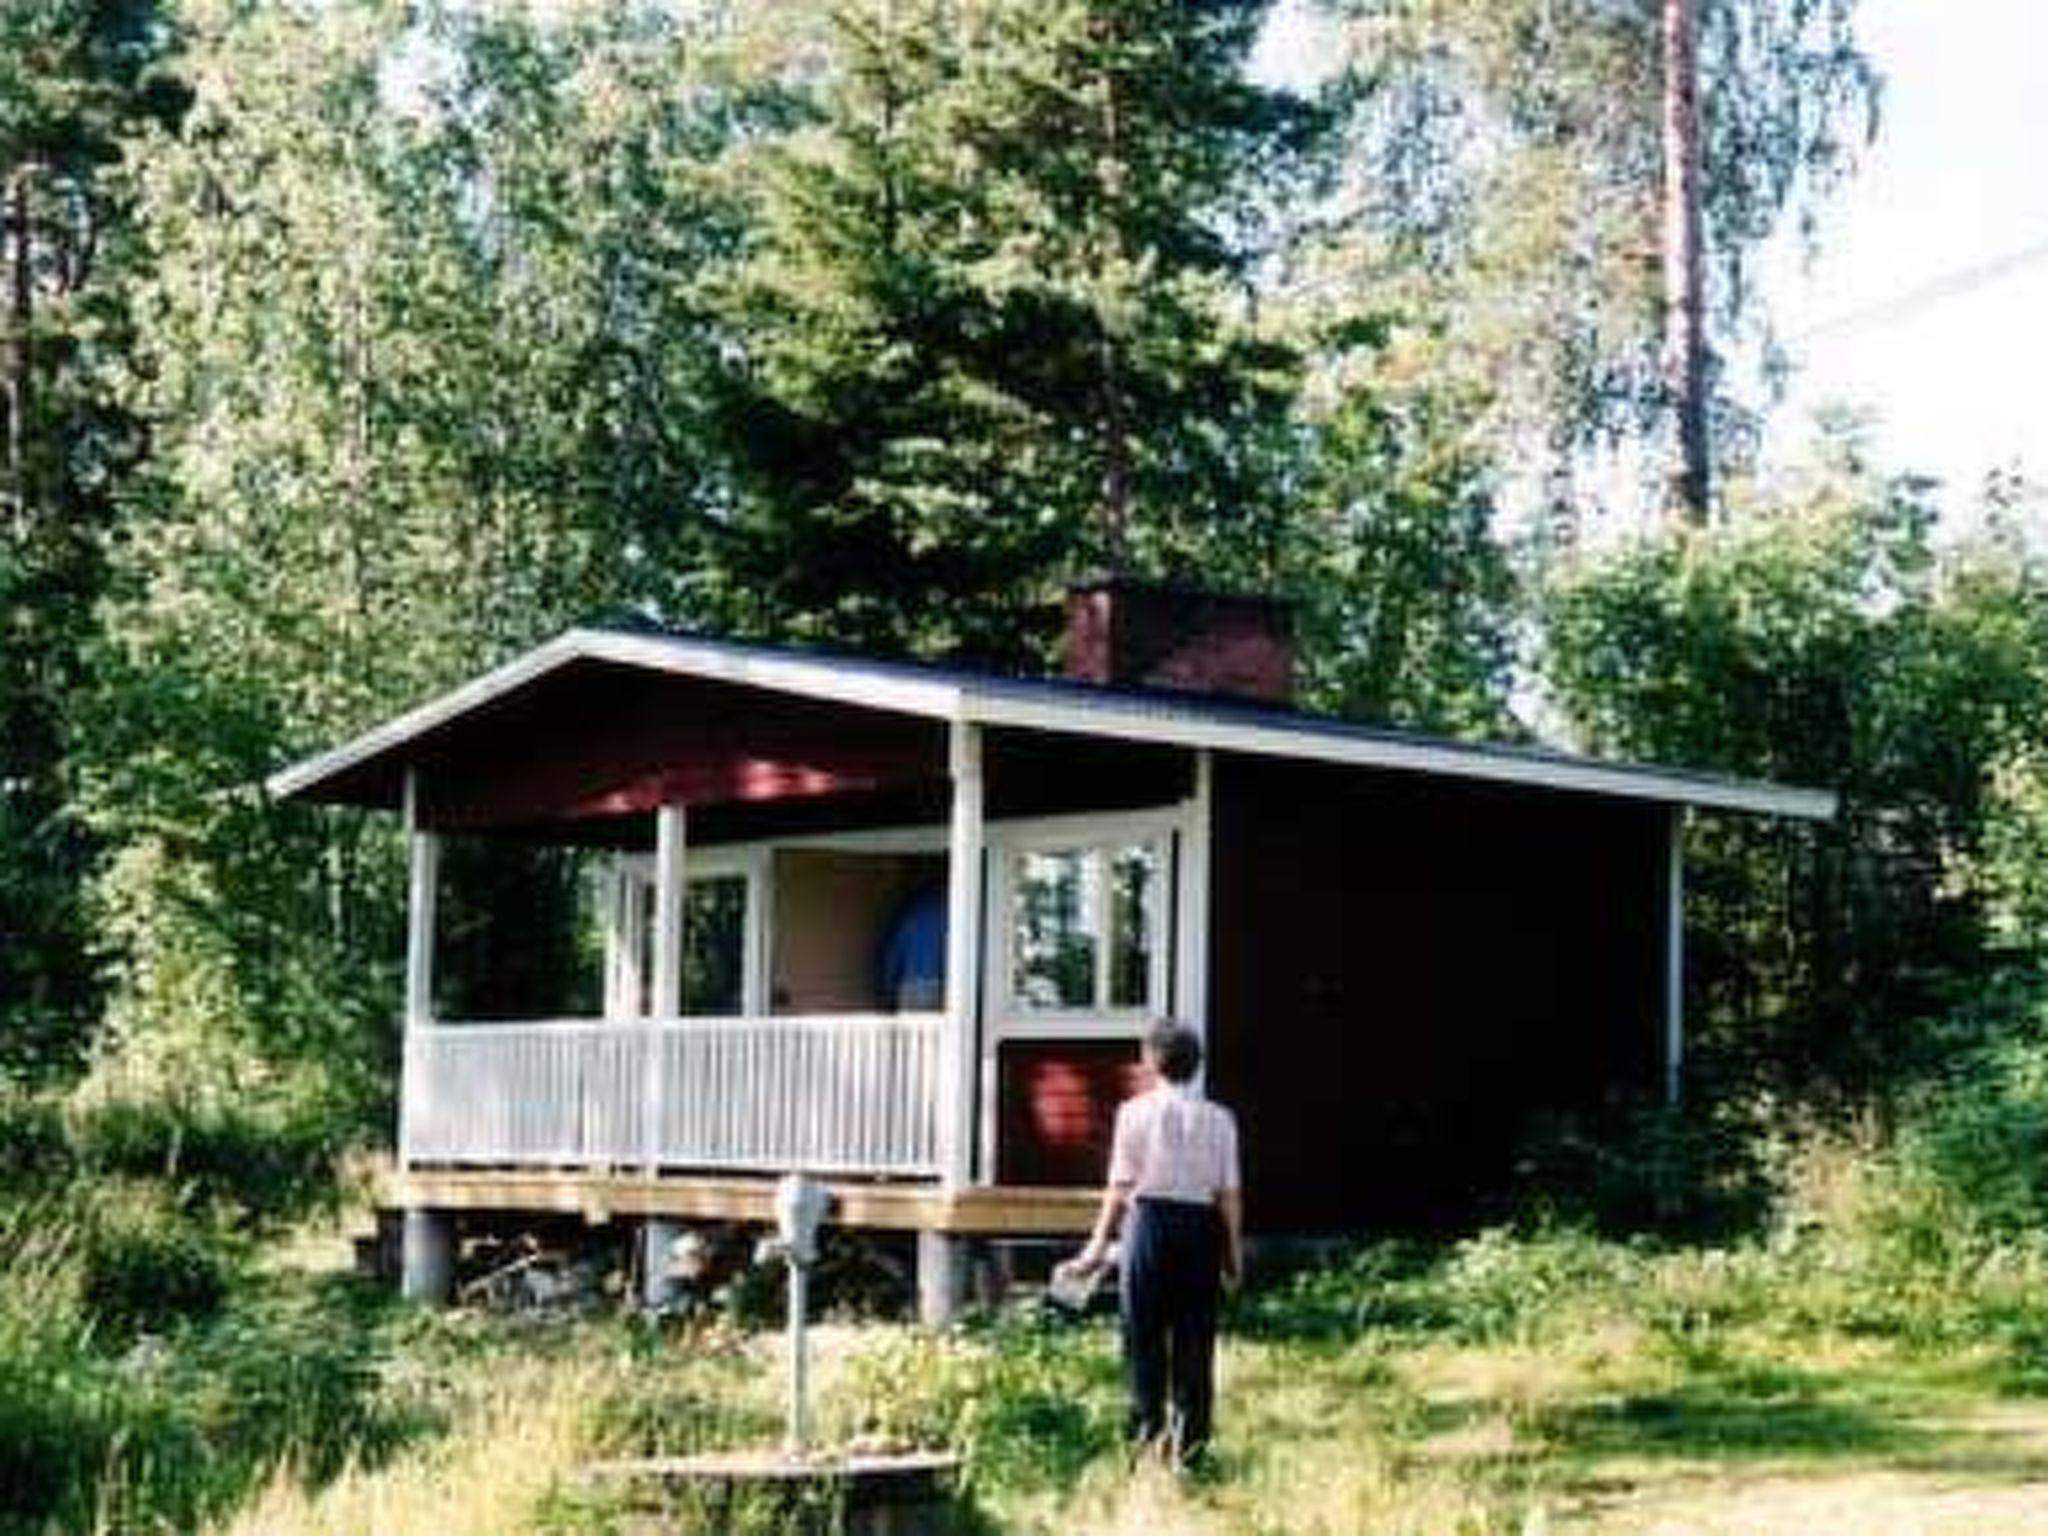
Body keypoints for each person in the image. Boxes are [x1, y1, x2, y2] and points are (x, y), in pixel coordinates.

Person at [1058, 1018, 1243, 1470]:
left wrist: (1096, 1247)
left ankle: (1145, 1442)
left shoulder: (1133, 1113)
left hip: (1149, 1226)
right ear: (1196, 1066)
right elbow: (1229, 1195)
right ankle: (1190, 1451)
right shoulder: (1220, 1119)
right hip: (1200, 1229)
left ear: (1151, 1061)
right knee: (1195, 1340)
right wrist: (1233, 1254)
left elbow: (1120, 1186)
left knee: (1143, 1336)